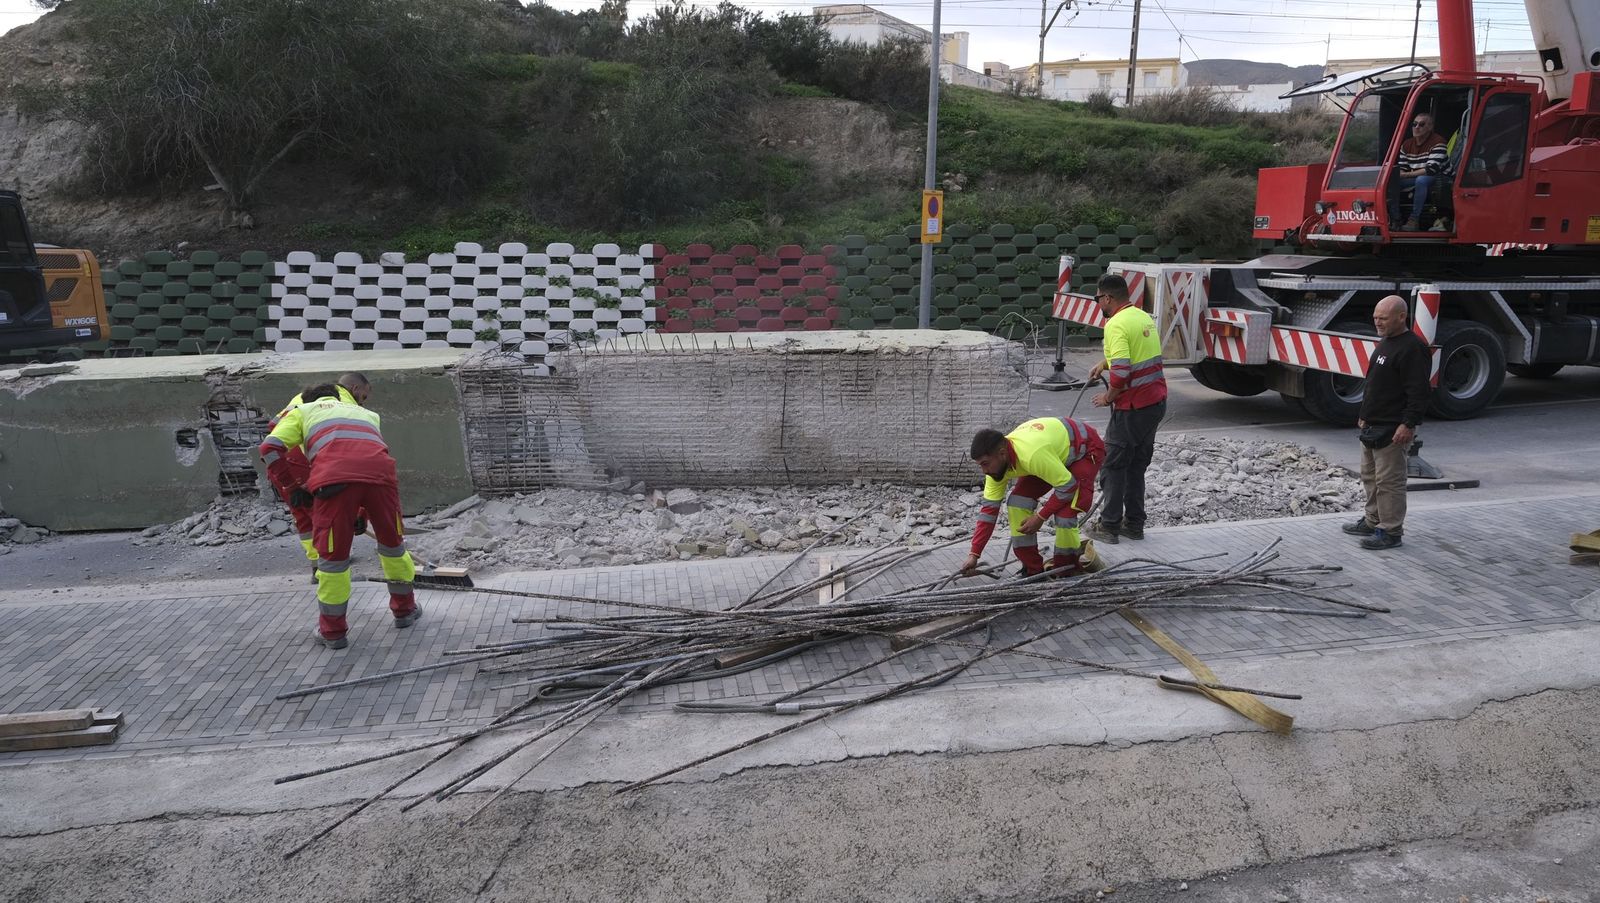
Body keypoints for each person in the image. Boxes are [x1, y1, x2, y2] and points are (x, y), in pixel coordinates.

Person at [259, 382, 418, 649]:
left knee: (333, 561)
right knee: (393, 546)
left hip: (333, 481)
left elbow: (269, 447)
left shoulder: (301, 410)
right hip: (382, 478)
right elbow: (363, 458)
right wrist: (360, 511)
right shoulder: (367, 414)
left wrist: (291, 486)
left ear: (306, 399)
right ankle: (405, 611)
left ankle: (333, 632)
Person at [958, 416, 1105, 578]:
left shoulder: (1032, 455)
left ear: (1002, 454)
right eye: (980, 465)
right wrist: (974, 554)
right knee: (1016, 503)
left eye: (985, 463)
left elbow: (1068, 486)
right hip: (1052, 455)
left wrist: (1040, 517)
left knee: (1065, 515)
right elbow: (988, 513)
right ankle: (1032, 570)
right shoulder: (996, 467)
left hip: (1084, 449)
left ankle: (1067, 569)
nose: (984, 471)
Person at [263, 373, 374, 579]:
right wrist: (360, 511)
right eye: (364, 397)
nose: (363, 402)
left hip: (278, 456)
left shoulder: (305, 396)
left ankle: (317, 567)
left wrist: (290, 483)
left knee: (304, 516)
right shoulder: (342, 401)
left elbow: (273, 425)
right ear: (355, 389)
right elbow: (348, 459)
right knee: (327, 516)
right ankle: (331, 570)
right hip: (302, 459)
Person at [1343, 295, 1430, 550]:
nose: (1377, 322)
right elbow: (1375, 383)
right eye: (1375, 318)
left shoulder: (1412, 348)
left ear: (1401, 317)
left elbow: (1419, 392)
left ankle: (1390, 531)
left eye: (1383, 318)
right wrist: (1365, 413)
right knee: (1370, 477)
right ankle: (1372, 521)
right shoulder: (1387, 343)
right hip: (1373, 424)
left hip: (1393, 429)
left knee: (1389, 482)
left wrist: (1408, 423)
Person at [1085, 273, 1167, 544]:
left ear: (1107, 298)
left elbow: (1122, 374)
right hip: (1155, 403)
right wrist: (1104, 363)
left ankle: (1108, 527)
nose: (1099, 304)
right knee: (1135, 466)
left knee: (1113, 466)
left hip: (1132, 407)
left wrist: (1108, 397)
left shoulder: (1115, 325)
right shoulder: (1141, 317)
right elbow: (1134, 355)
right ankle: (1134, 525)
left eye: (1099, 299)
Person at [1391, 112, 1449, 231]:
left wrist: (1406, 174)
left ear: (1430, 127)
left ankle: (1414, 220)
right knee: (1391, 182)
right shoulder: (1406, 144)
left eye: (1421, 124)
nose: (1417, 127)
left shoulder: (1438, 142)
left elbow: (1431, 169)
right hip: (1417, 176)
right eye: (1414, 124)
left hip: (1442, 178)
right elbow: (1403, 167)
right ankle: (1395, 218)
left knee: (1421, 180)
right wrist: (1399, 175)